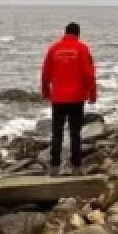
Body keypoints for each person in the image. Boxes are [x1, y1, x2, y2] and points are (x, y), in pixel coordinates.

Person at [41, 22, 97, 174]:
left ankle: (54, 166)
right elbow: (89, 74)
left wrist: (46, 91)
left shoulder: (53, 48)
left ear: (64, 32)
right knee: (75, 132)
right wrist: (92, 93)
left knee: (57, 132)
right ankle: (76, 166)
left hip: (58, 97)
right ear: (78, 34)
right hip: (77, 98)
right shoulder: (82, 48)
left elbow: (45, 73)